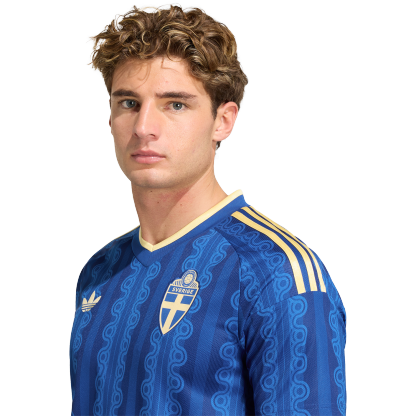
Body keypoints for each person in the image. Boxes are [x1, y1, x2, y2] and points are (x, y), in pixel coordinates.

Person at [69, 5, 346, 416]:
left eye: (175, 105)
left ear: (223, 121)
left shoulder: (278, 273)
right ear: (110, 118)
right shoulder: (101, 270)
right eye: (129, 102)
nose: (144, 127)